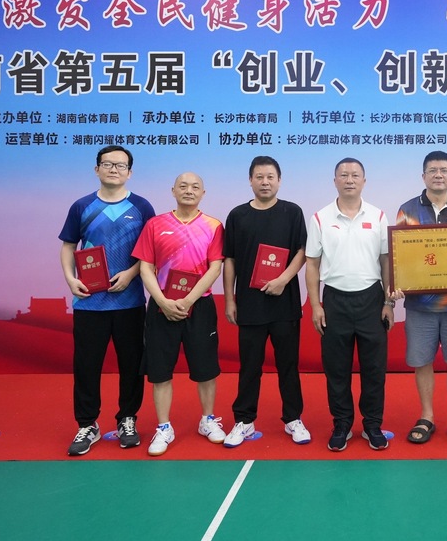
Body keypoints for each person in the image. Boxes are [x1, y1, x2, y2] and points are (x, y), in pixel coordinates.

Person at [59, 145, 156, 455]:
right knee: (86, 366)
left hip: (130, 302)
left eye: (121, 165)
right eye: (108, 164)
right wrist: (70, 278)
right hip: (89, 303)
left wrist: (130, 274)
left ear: (130, 172)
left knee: (132, 365)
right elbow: (68, 246)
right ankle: (88, 424)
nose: (114, 169)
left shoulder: (141, 207)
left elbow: (149, 253)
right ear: (96, 169)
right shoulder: (82, 206)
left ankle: (128, 418)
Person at [132, 172, 225, 457]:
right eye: (183, 186)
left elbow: (215, 268)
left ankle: (207, 419)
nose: (189, 190)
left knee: (206, 369)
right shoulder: (155, 224)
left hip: (200, 307)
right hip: (162, 307)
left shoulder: (213, 225)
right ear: (173, 190)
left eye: (195, 187)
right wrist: (162, 301)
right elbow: (145, 267)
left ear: (203, 193)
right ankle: (164, 427)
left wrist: (188, 300)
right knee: (160, 370)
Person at [305, 158, 395, 452]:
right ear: (335, 181)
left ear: (364, 181)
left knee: (374, 369)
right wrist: (316, 305)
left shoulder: (378, 216)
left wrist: (388, 302)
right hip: (334, 301)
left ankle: (372, 425)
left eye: (355, 175)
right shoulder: (320, 218)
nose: (349, 179)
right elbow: (312, 264)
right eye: (343, 175)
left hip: (371, 299)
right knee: (336, 370)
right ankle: (341, 424)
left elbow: (385, 260)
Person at [222, 156, 309, 447]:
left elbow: (302, 251)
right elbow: (230, 259)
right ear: (250, 180)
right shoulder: (237, 215)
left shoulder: (292, 212)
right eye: (259, 177)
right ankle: (244, 421)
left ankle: (293, 418)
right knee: (249, 367)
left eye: (270, 177)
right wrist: (230, 300)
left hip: (284, 304)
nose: (265, 182)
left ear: (279, 180)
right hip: (249, 305)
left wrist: (283, 279)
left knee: (288, 365)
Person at [396, 150, 447, 449]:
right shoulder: (407, 209)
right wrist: (398, 283)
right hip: (420, 306)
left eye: (444, 170)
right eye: (432, 170)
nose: (438, 175)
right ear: (423, 176)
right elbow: (400, 256)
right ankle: (427, 416)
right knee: (422, 363)